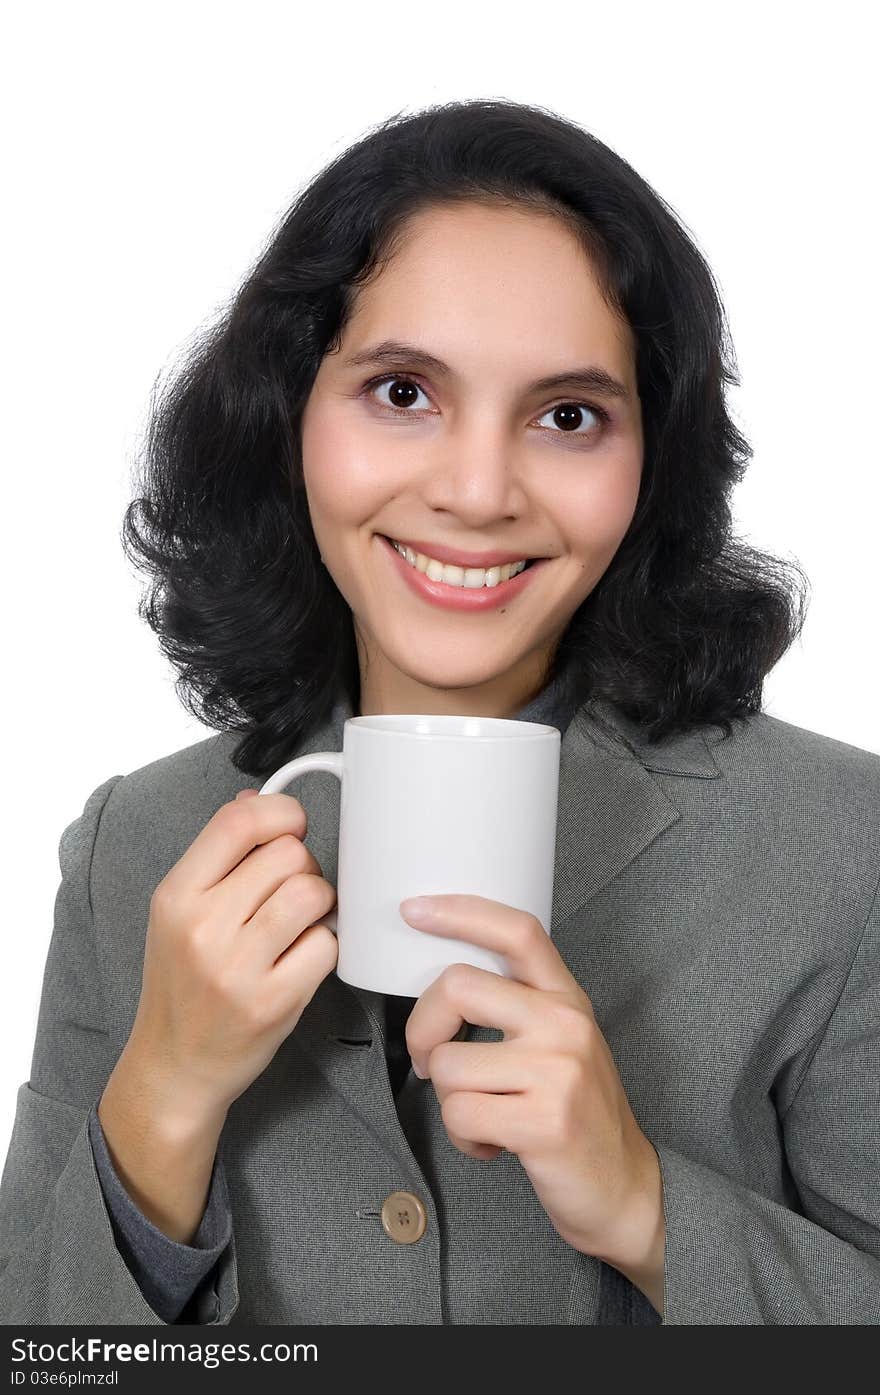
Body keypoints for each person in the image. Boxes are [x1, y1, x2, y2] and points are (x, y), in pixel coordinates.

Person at [1, 97, 877, 1328]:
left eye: (568, 416)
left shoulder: (841, 846)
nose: (476, 491)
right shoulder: (133, 850)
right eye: (402, 391)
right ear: (290, 416)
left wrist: (643, 1210)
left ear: (652, 461)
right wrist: (162, 1094)